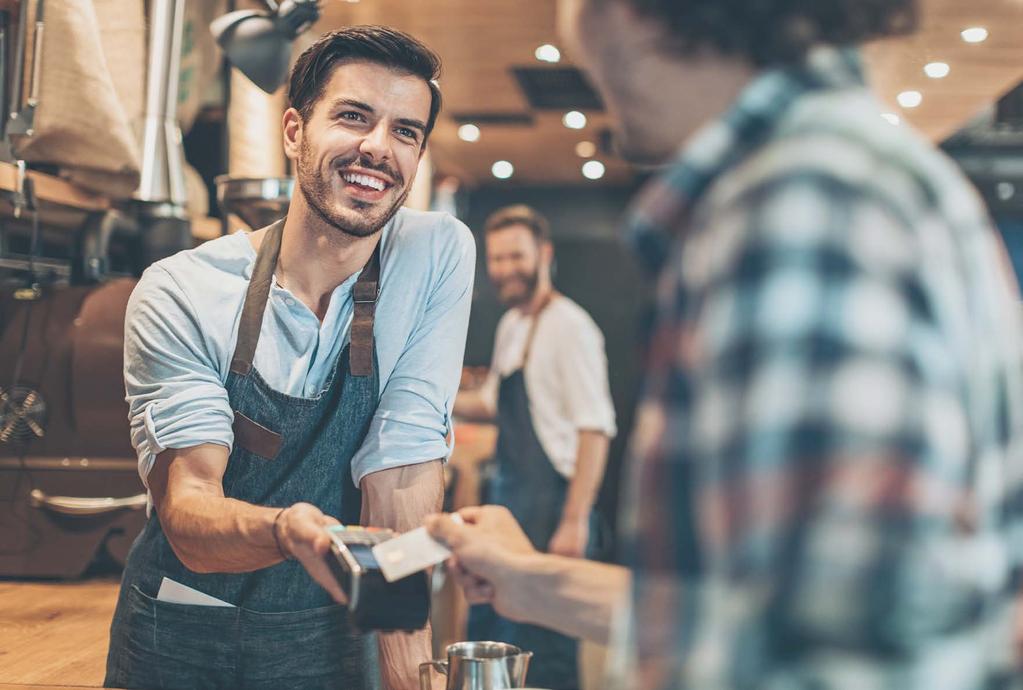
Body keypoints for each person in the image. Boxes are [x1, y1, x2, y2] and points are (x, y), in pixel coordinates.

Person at [427, 0, 1023, 688]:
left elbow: (824, 664)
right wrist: (531, 581)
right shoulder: (851, 173)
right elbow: (762, 614)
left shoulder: (799, 207)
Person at [105, 27, 474, 690]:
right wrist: (285, 532)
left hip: (329, 632)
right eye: (353, 117)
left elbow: (401, 474)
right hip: (184, 628)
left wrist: (410, 680)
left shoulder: (434, 256)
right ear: (294, 131)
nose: (377, 149)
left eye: (405, 131)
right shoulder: (182, 289)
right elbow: (188, 512)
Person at [453, 205, 617, 689]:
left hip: (555, 509)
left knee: (547, 648)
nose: (505, 269)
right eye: (498, 259)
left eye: (516, 257)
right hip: (512, 501)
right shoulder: (512, 326)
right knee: (502, 636)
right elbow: (490, 403)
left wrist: (573, 523)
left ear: (544, 254)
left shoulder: (571, 327)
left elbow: (596, 429)